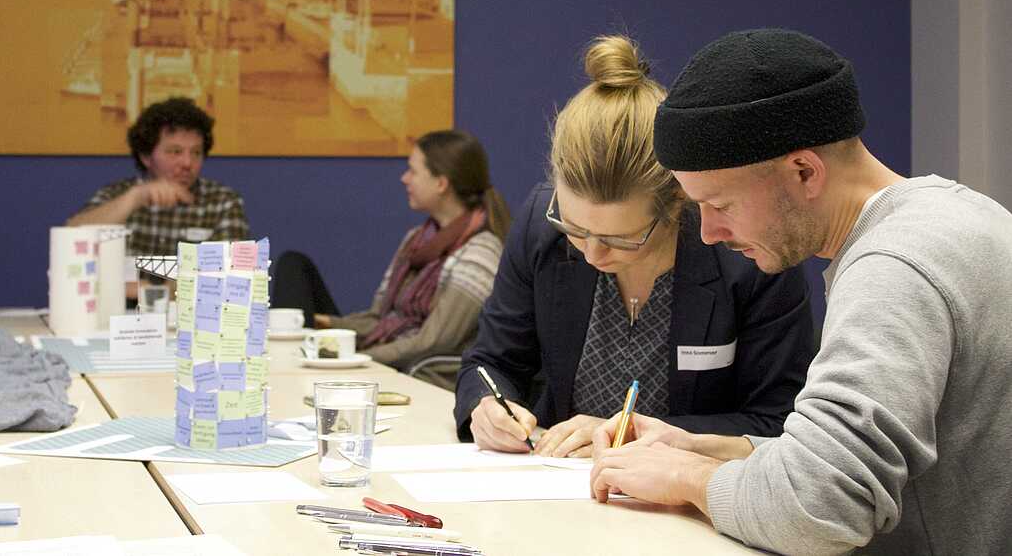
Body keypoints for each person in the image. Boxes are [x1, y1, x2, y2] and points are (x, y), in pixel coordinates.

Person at [589, 28, 1012, 555]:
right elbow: (847, 467)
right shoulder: (960, 216)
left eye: (721, 205)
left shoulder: (893, 270)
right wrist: (708, 450)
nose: (710, 234)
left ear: (804, 171)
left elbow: (821, 508)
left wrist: (686, 477)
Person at [454, 35, 816, 458]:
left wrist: (636, 434)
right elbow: (490, 361)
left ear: (678, 200)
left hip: (689, 503)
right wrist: (485, 406)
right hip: (553, 487)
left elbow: (777, 421)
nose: (591, 254)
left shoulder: (750, 253)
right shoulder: (540, 225)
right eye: (573, 228)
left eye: (620, 239)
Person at [272, 130, 511, 388]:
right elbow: (380, 318)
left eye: (413, 171)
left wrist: (359, 358)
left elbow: (434, 341)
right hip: (384, 350)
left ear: (441, 183)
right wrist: (328, 324)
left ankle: (290, 378)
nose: (404, 178)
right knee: (292, 265)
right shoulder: (415, 240)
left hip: (412, 369)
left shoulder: (480, 252)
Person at [67, 97, 249, 256]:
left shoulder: (222, 203)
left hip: (187, 297)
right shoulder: (118, 195)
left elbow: (229, 281)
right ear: (146, 156)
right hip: (119, 297)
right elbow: (70, 240)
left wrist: (142, 288)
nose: (187, 163)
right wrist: (134, 199)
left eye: (196, 153)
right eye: (175, 151)